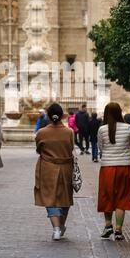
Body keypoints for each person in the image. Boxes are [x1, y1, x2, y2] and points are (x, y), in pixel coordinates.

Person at [97, 102, 130, 241]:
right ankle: (118, 230)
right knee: (122, 198)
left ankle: (108, 225)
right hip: (124, 167)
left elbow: (101, 148)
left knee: (107, 197)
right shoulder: (128, 128)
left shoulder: (102, 129)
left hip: (107, 167)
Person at [34, 103, 74, 241]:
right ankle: (61, 225)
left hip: (47, 168)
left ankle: (56, 228)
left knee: (49, 196)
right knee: (65, 197)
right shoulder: (69, 132)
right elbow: (71, 148)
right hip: (66, 168)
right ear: (62, 115)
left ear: (49, 116)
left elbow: (38, 149)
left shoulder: (41, 132)